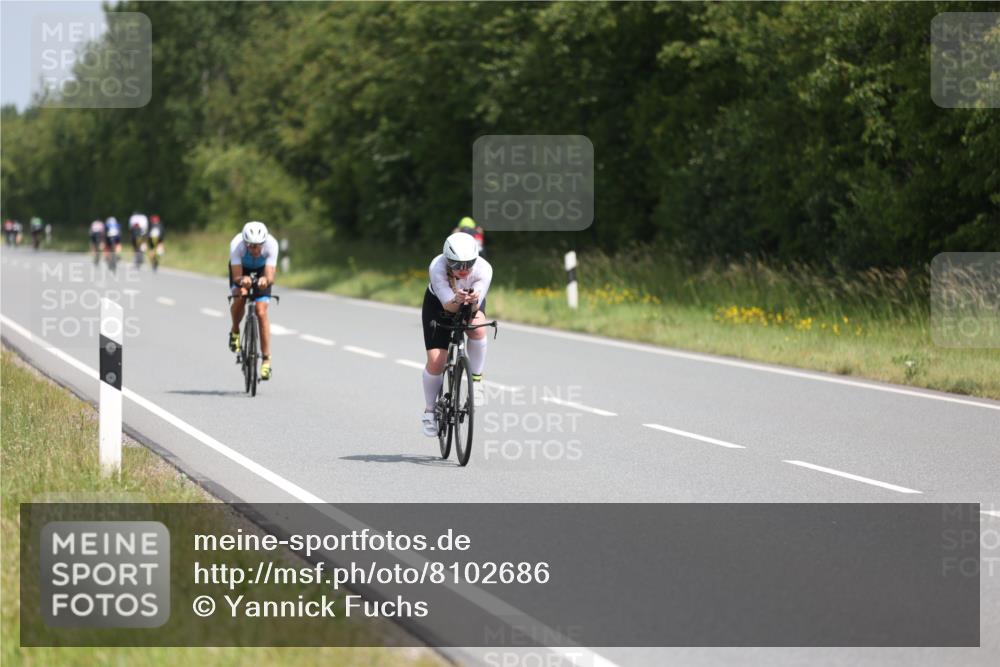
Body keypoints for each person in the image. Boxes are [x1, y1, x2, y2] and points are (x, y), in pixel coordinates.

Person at [420, 232, 493, 436]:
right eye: (456, 264)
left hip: (470, 301)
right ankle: (429, 410)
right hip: (439, 304)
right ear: (446, 259)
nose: (463, 270)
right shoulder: (437, 266)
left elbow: (475, 307)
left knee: (478, 329)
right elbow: (447, 305)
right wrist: (456, 300)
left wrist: (470, 300)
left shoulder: (484, 268)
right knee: (436, 361)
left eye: (468, 264)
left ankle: (476, 381)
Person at [228, 221, 279, 380]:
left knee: (261, 312)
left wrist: (265, 280)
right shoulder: (237, 244)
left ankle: (266, 360)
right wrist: (242, 280)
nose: (254, 249)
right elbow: (236, 276)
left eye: (258, 246)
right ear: (245, 242)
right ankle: (235, 330)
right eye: (250, 246)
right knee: (240, 295)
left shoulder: (272, 244)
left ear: (263, 243)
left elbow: (270, 276)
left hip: (261, 270)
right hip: (242, 269)